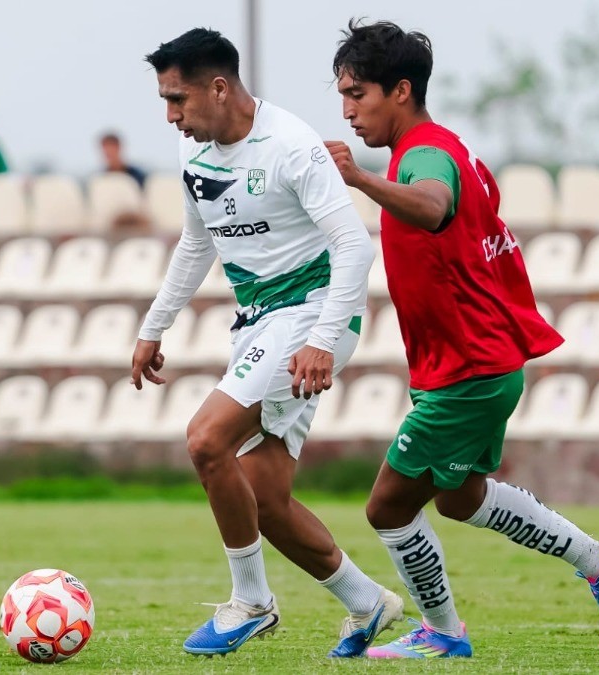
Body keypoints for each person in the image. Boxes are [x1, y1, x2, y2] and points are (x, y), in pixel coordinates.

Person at [327, 19, 599, 659]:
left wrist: (361, 181)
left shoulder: (423, 155)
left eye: (358, 93)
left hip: (468, 369)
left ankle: (443, 633)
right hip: (473, 361)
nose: (347, 109)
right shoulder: (452, 147)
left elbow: (434, 205)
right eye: (343, 94)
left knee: (387, 507)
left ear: (402, 91)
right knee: (461, 498)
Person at [132, 27, 402, 659]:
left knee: (205, 440)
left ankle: (251, 603)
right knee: (264, 498)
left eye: (179, 100)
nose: (172, 117)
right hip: (259, 323)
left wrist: (322, 340)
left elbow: (354, 245)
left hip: (312, 318)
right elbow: (197, 243)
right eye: (165, 102)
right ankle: (369, 604)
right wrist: (153, 325)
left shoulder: (291, 145)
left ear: (219, 87)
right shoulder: (193, 154)